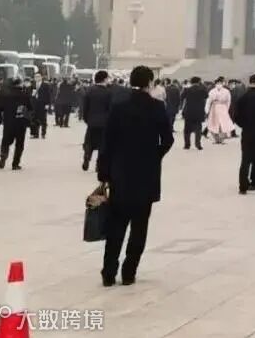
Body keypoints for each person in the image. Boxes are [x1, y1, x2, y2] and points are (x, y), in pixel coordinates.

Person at [96, 66, 174, 286]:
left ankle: (108, 272)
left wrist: (104, 172)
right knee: (139, 228)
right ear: (149, 83)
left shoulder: (118, 107)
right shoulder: (157, 107)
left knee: (116, 226)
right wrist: (154, 156)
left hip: (120, 174)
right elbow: (168, 139)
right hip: (146, 175)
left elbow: (107, 142)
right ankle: (129, 272)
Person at [0, 78, 31, 170]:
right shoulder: (24, 95)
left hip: (8, 122)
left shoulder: (6, 96)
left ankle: (3, 155)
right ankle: (15, 164)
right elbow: (30, 108)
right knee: (19, 144)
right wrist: (29, 122)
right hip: (20, 122)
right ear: (20, 85)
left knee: (6, 141)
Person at [81, 71, 114, 171]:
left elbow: (85, 107)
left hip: (92, 122)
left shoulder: (90, 90)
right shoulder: (109, 92)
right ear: (104, 79)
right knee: (102, 145)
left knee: (89, 142)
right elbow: (110, 109)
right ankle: (98, 165)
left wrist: (87, 119)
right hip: (104, 123)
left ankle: (87, 157)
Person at [205, 77, 234, 144]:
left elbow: (228, 101)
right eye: (217, 83)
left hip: (223, 108)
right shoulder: (212, 91)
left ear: (222, 84)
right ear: (215, 84)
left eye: (220, 83)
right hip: (214, 108)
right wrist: (207, 109)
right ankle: (216, 139)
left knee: (222, 124)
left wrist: (227, 108)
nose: (219, 84)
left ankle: (222, 139)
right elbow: (208, 101)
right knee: (213, 124)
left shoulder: (226, 91)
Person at [180, 76, 207, 150]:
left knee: (187, 130)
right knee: (198, 129)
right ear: (199, 82)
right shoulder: (202, 90)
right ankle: (198, 145)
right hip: (199, 112)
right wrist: (202, 85)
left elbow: (181, 97)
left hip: (189, 111)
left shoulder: (187, 89)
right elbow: (206, 96)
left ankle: (187, 145)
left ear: (191, 82)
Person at [30, 73, 53, 139]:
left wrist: (48, 104)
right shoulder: (33, 85)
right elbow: (29, 94)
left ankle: (43, 133)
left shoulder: (45, 85)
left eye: (38, 76)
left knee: (43, 120)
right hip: (35, 104)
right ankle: (36, 134)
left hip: (43, 104)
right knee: (34, 119)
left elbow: (48, 95)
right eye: (35, 77)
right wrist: (32, 95)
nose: (37, 78)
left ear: (41, 77)